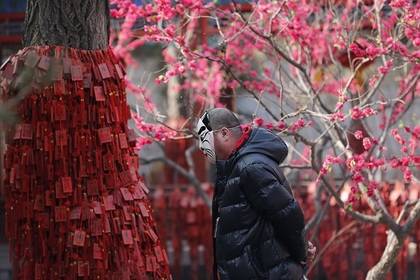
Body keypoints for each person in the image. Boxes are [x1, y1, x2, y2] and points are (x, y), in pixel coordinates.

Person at [196, 108, 314, 280]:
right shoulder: (236, 166)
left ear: (224, 133)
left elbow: (288, 215)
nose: (201, 146)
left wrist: (301, 253)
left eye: (203, 138)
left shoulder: (250, 167)